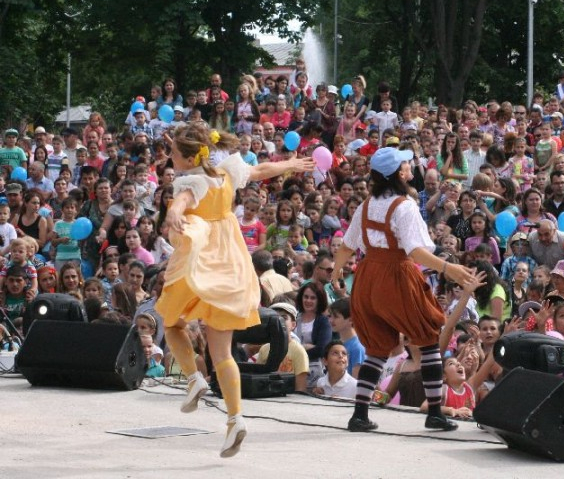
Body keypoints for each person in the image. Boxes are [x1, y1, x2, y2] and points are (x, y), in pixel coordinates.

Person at [156, 122, 316, 457]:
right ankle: (235, 418)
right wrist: (289, 164)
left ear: (186, 159)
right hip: (231, 264)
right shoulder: (228, 173)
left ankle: (194, 378)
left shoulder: (191, 181)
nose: (170, 159)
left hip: (201, 261)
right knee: (223, 352)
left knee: (171, 322)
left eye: (172, 154)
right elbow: (260, 169)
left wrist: (172, 213)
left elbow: (182, 201)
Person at [331, 146, 480, 433]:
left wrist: (336, 273)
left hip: (366, 278)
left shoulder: (365, 206)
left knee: (377, 346)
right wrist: (449, 268)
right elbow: (415, 252)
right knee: (427, 337)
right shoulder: (405, 205)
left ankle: (359, 414)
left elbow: (347, 246)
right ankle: (435, 413)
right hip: (395, 276)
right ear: (398, 172)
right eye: (406, 164)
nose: (411, 166)